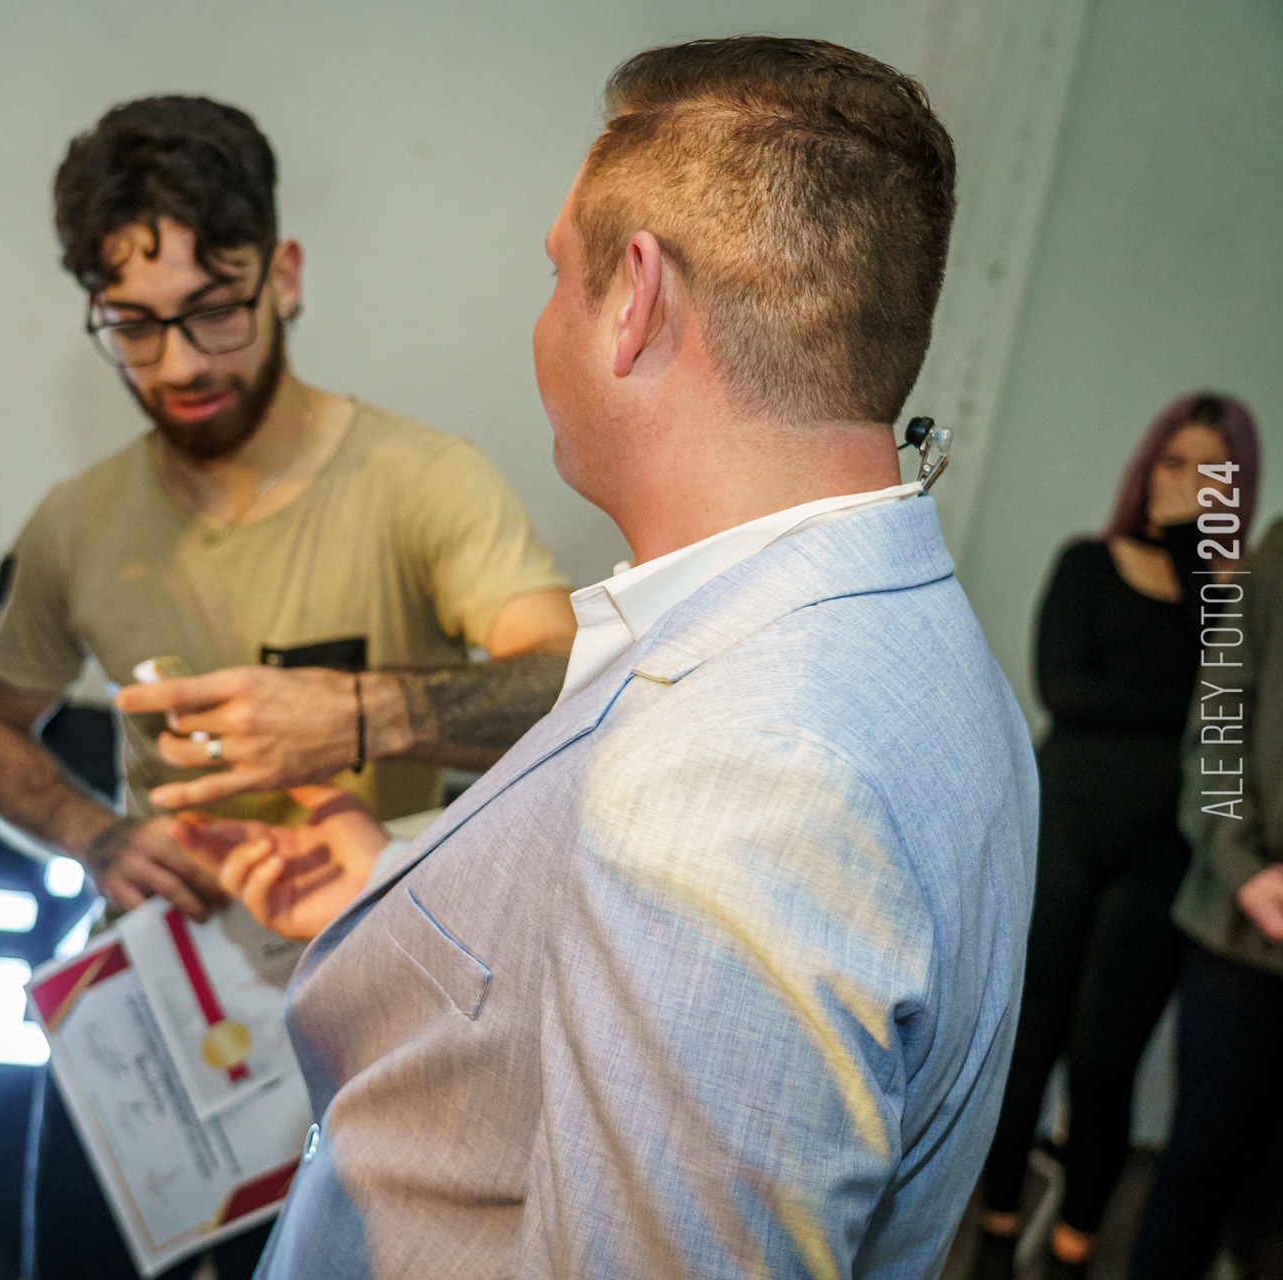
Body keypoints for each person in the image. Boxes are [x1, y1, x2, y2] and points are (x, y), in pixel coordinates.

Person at [174, 37, 1037, 1277]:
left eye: (555, 274)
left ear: (634, 299)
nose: (541, 320)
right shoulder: (911, 637)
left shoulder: (743, 776)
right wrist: (407, 893)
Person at [0, 97, 575, 1280]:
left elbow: (566, 684)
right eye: (133, 326)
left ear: (284, 276)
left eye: (214, 309)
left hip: (367, 1014)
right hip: (143, 1014)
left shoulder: (422, 482)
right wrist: (97, 835)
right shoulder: (79, 522)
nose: (180, 363)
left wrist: (359, 715)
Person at [973, 393, 1260, 1279]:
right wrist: (1180, 711)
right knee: (1025, 1052)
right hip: (1063, 832)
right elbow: (1067, 692)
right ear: (1148, 466)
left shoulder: (1233, 600)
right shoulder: (1089, 563)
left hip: (1160, 856)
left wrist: (1196, 559)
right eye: (1174, 461)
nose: (1186, 482)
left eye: (1209, 470)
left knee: (1104, 1068)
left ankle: (1071, 1256)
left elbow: (1224, 720)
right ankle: (992, 1243)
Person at [1130, 470, 1283, 1279]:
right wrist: (1240, 864)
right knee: (1197, 1165)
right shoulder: (1278, 553)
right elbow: (1220, 712)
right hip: (1237, 923)